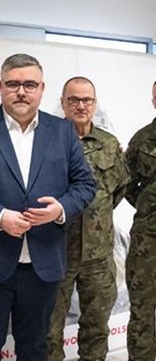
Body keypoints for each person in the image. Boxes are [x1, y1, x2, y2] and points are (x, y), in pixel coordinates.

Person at [0, 53, 96, 361]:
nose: (21, 92)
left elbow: (85, 185)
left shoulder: (62, 131)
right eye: (13, 84)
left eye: (29, 84)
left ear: (41, 88)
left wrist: (60, 210)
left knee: (35, 350)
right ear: (0, 87)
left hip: (43, 263)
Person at [47, 76, 130, 361]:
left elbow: (118, 190)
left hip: (98, 256)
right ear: (63, 103)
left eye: (87, 100)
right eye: (74, 100)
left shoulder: (109, 144)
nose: (81, 106)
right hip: (56, 252)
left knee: (96, 328)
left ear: (95, 104)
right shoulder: (47, 141)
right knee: (49, 329)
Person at [124, 80, 156, 361]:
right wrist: (147, 207)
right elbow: (125, 182)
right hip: (148, 238)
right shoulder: (143, 139)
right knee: (142, 306)